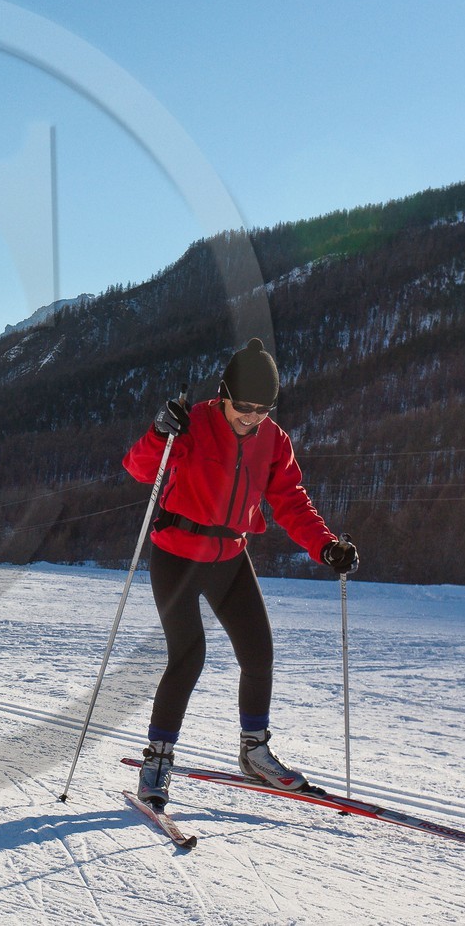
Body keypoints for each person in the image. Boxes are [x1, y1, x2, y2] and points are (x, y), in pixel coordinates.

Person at [123, 338, 358, 808]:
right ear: (223, 393)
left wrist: (325, 546)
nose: (251, 417)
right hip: (177, 554)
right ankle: (158, 760)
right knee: (188, 657)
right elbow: (138, 468)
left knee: (259, 654)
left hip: (230, 556)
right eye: (244, 406)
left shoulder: (273, 439)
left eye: (263, 408)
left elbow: (291, 501)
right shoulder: (191, 425)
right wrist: (158, 431)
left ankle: (254, 753)